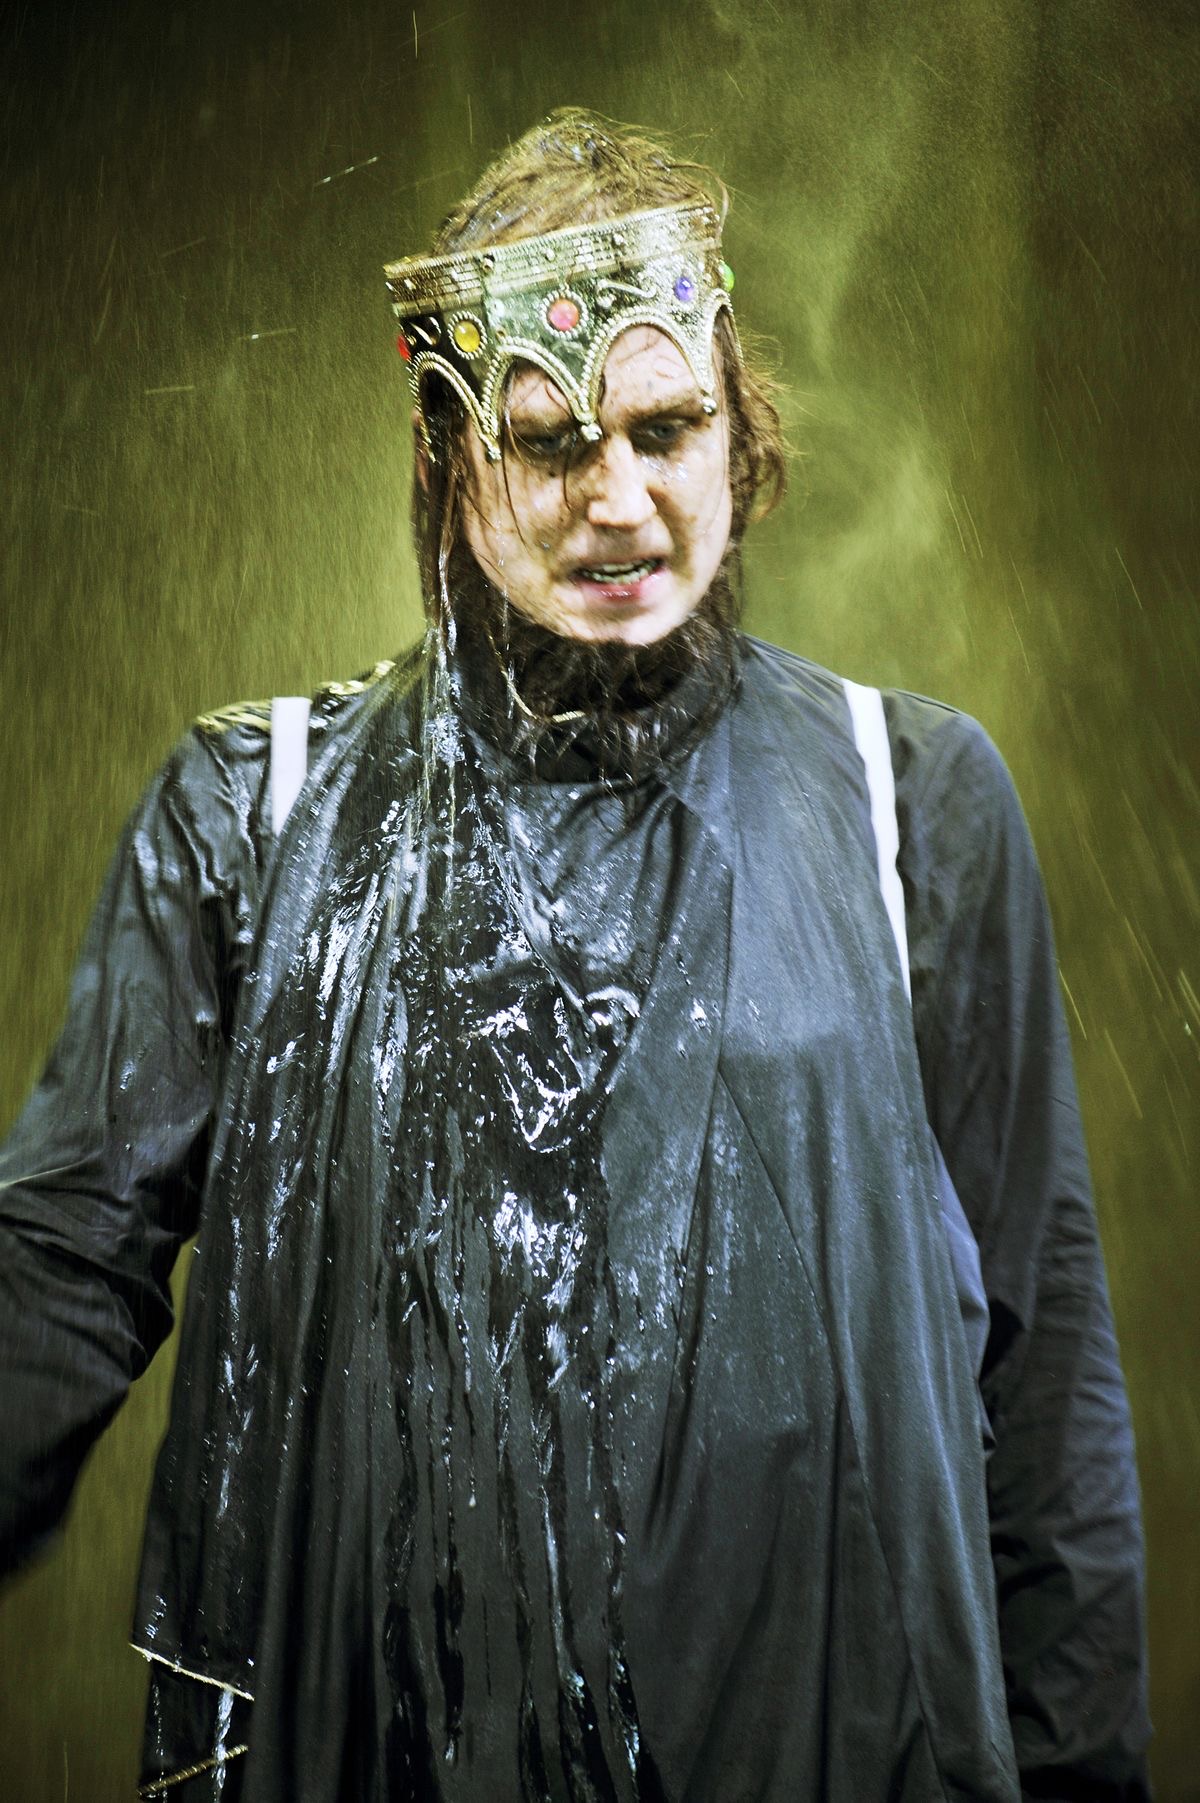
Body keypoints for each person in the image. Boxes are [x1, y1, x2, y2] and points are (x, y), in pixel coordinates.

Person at [0, 110, 1152, 1801]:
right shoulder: (258, 816)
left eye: (666, 428)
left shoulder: (913, 802)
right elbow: (58, 1266)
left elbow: (1042, 1379)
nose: (619, 502)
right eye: (549, 444)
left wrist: (1084, 1775)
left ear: (735, 424)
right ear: (449, 455)